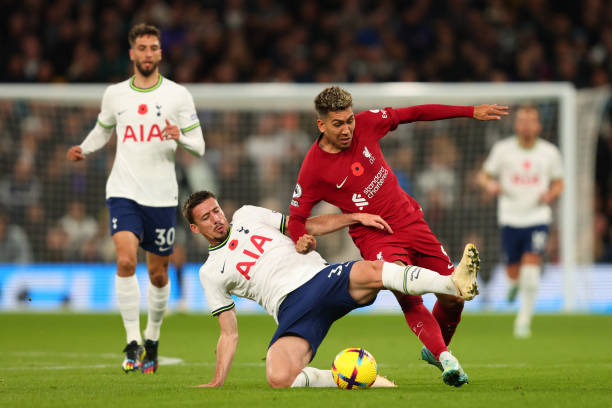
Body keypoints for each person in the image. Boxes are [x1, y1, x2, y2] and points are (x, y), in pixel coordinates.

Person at [287, 86, 507, 386]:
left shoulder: (367, 123)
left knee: (455, 297)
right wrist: (302, 240)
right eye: (338, 124)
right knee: (408, 292)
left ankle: (435, 348)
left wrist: (469, 111)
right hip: (376, 237)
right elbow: (297, 220)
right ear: (321, 125)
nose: (347, 129)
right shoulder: (313, 167)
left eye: (349, 120)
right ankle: (446, 359)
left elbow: (415, 113)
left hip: (412, 220)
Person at [182, 190, 480, 388]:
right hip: (290, 310)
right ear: (195, 229)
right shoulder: (209, 273)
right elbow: (228, 332)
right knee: (279, 377)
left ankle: (452, 283)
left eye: (217, 210)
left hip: (320, 279)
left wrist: (352, 218)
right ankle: (349, 377)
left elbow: (304, 226)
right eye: (206, 217)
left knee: (374, 271)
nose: (217, 219)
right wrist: (217, 381)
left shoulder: (248, 215)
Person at [66, 23, 205, 373]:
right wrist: (84, 148)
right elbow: (102, 129)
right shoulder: (115, 94)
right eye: (141, 47)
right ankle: (132, 343)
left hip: (161, 197)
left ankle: (152, 339)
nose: (147, 53)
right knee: (126, 262)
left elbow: (199, 145)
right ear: (132, 53)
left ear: (160, 53)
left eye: (153, 47)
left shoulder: (178, 95)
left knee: (158, 274)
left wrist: (180, 136)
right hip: (123, 191)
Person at [477, 105, 563, 338]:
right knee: (513, 272)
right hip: (510, 218)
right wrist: (490, 185)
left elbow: (558, 182)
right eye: (522, 120)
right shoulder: (502, 150)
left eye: (531, 120)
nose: (526, 125)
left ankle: (523, 321)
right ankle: (513, 286)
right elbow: (483, 175)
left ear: (538, 125)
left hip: (537, 217)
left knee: (531, 267)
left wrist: (551, 195)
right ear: (516, 125)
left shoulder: (549, 152)